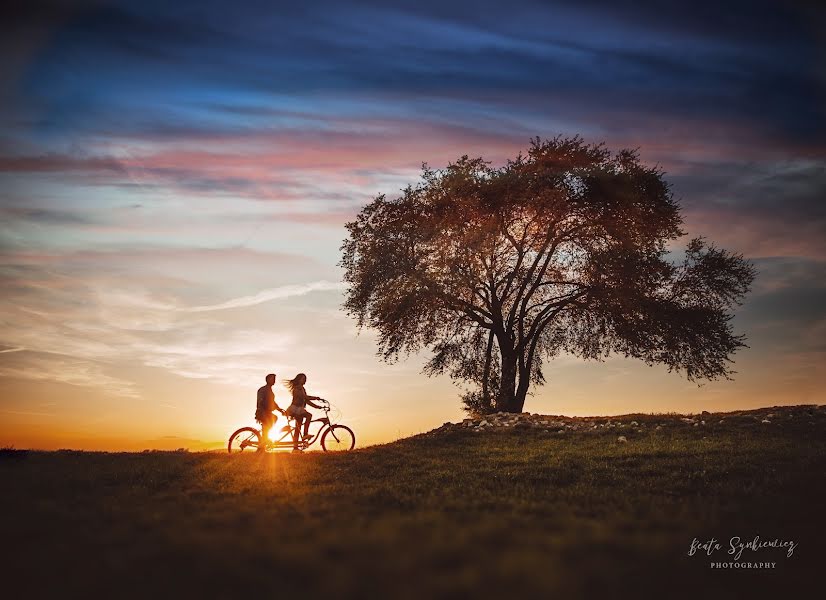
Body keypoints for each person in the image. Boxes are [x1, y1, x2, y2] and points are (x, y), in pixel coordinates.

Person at [284, 373, 324, 451]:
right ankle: (305, 434)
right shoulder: (297, 388)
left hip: (299, 409)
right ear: (299, 380)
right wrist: (316, 398)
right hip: (295, 409)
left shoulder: (302, 388)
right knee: (308, 416)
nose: (305, 380)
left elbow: (306, 401)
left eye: (305, 379)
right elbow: (305, 397)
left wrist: (317, 406)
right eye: (303, 379)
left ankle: (295, 448)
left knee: (297, 428)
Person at [255, 373, 282, 451]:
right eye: (272, 379)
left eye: (274, 379)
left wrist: (280, 410)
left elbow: (272, 402)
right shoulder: (263, 389)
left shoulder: (270, 390)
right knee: (268, 425)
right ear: (267, 380)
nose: (274, 381)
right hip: (263, 412)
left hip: (267, 412)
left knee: (273, 420)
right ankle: (263, 444)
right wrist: (261, 411)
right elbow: (260, 400)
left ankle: (263, 444)